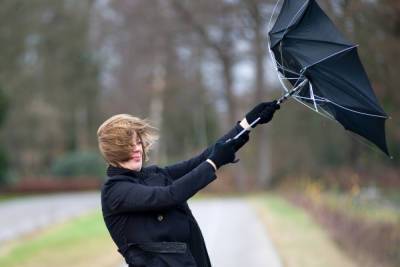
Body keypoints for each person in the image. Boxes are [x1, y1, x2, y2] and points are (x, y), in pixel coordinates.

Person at [97, 101, 280, 267]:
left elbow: (200, 160)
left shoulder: (152, 174)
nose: (137, 148)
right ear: (114, 151)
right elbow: (169, 196)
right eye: (129, 145)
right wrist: (213, 164)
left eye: (138, 142)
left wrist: (246, 124)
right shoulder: (115, 191)